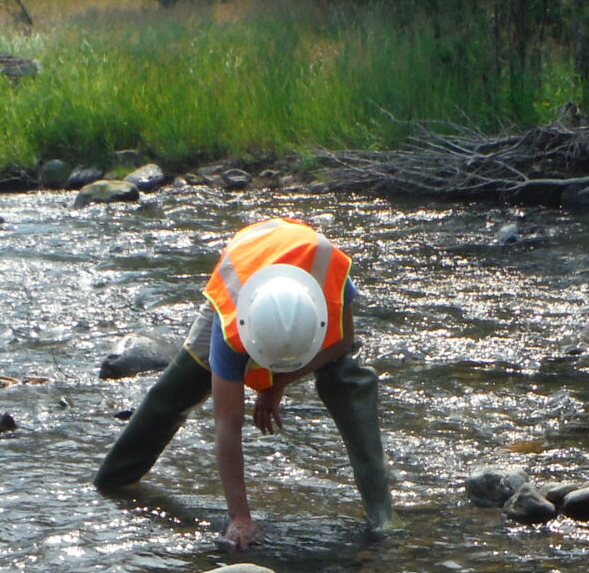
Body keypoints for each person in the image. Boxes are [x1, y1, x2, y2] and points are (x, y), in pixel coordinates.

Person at [93, 216, 389, 547]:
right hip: (246, 268)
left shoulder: (331, 272)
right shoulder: (231, 328)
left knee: (347, 378)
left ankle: (383, 517)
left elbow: (343, 339)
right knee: (181, 386)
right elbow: (227, 426)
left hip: (301, 264)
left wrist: (280, 382)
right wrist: (240, 517)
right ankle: (114, 479)